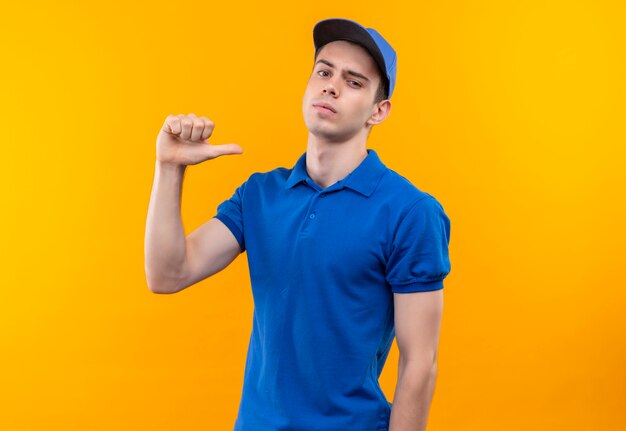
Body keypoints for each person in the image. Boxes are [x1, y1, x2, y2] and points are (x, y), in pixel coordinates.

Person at [145, 17, 451, 431]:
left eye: (354, 81)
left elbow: (420, 364)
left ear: (379, 111)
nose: (331, 86)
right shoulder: (260, 195)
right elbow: (167, 273)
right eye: (323, 71)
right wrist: (169, 168)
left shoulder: (410, 212)